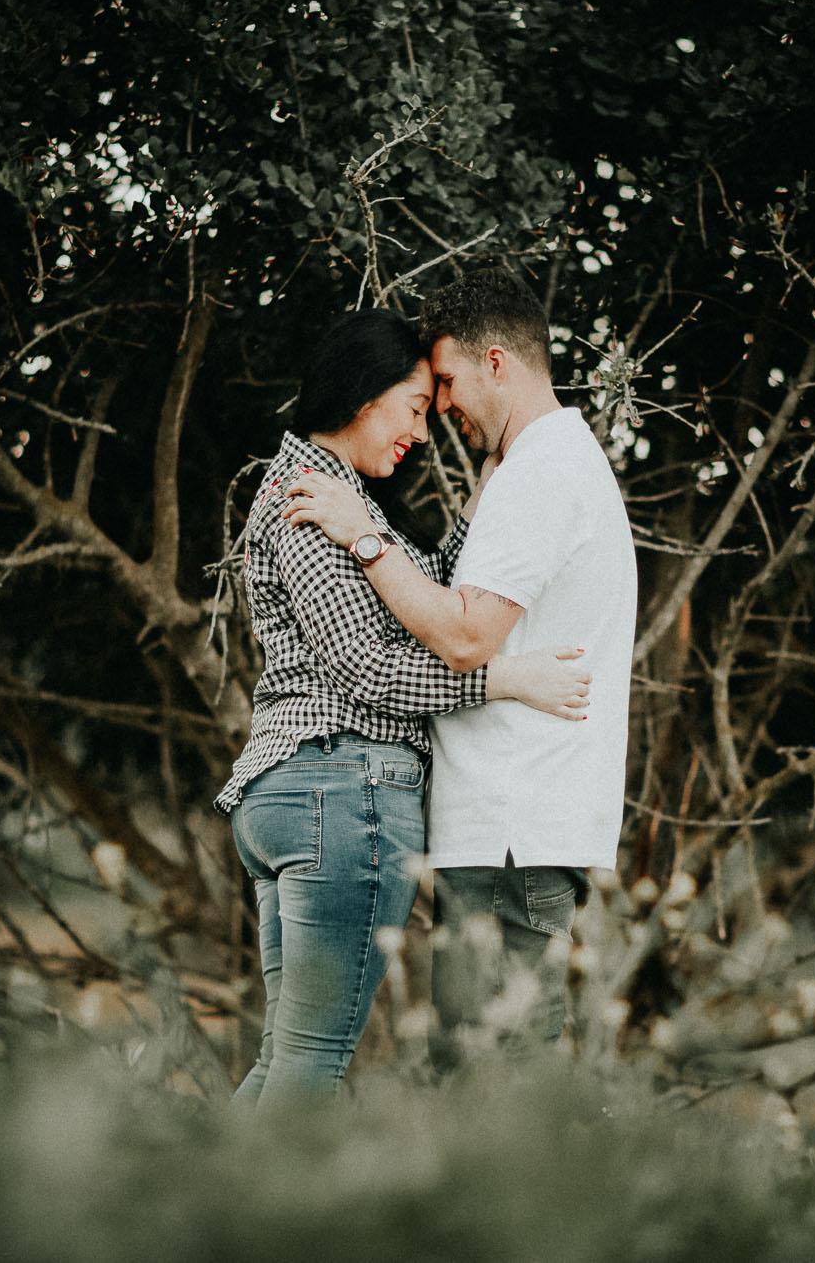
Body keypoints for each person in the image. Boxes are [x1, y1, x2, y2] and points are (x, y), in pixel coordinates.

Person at [217, 306, 592, 1107]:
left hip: (300, 793)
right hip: (342, 793)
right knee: (310, 1066)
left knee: (284, 1059)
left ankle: (189, 1219)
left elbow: (430, 576)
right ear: (362, 394)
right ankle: (242, 1230)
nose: (424, 432)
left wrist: (502, 471)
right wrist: (504, 679)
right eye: (416, 407)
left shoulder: (339, 495)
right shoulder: (307, 498)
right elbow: (370, 669)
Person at [279, 269, 637, 1068]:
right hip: (519, 825)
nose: (442, 406)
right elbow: (456, 595)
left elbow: (468, 635)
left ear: (497, 363)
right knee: (489, 1073)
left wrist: (363, 538)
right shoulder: (543, 466)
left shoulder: (541, 471)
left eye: (445, 380)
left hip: (512, 827)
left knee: (495, 1083)